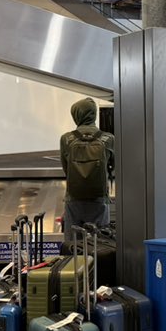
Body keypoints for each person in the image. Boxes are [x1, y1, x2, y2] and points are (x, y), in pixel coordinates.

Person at [59, 98, 114, 242]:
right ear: (94, 114)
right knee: (101, 242)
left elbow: (67, 169)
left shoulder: (66, 139)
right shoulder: (108, 138)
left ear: (76, 115)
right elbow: (113, 167)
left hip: (74, 199)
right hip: (99, 199)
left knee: (73, 244)